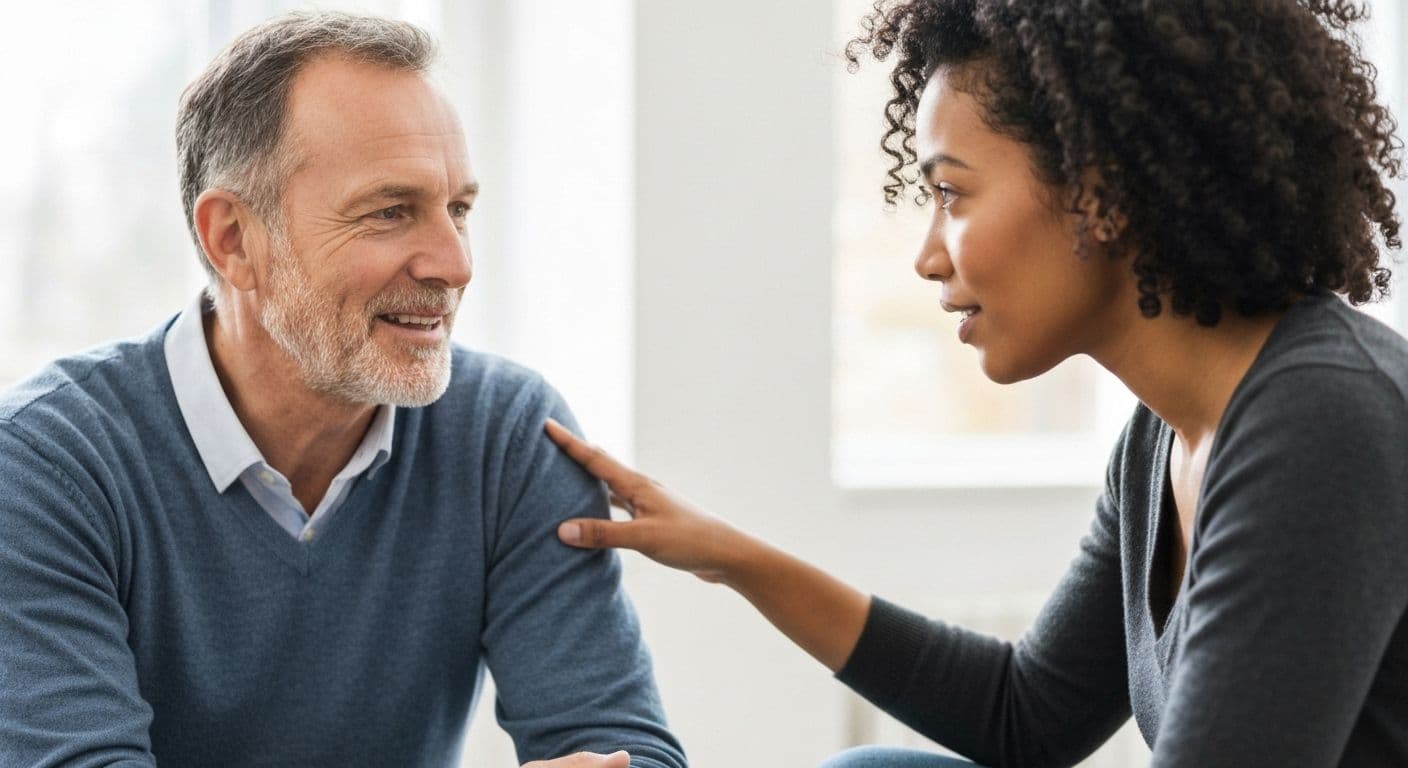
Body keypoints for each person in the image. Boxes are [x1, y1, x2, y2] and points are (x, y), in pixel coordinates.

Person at [542, 1, 1408, 766]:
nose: (926, 256)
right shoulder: (1162, 437)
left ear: (1102, 195)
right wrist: (731, 556)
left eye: (952, 194)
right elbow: (1025, 718)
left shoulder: (1324, 419)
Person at [0, 11, 684, 768]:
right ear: (233, 238)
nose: (454, 264)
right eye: (391, 212)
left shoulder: (507, 435)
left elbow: (626, 752)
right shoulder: (41, 467)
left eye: (458, 209)